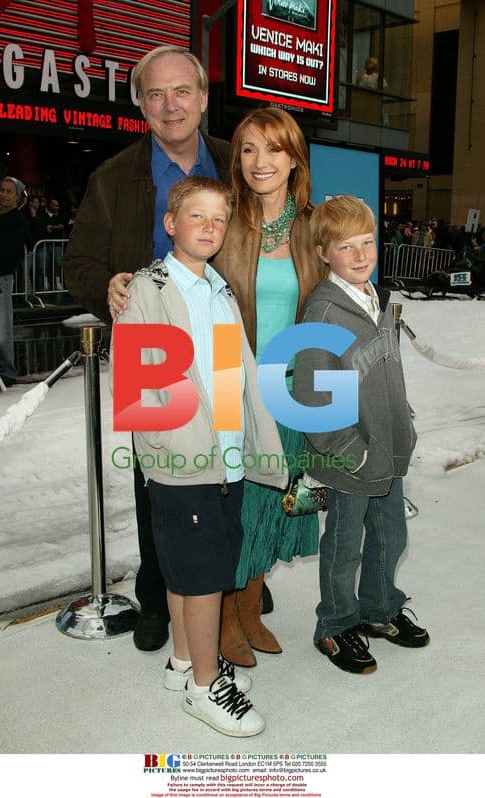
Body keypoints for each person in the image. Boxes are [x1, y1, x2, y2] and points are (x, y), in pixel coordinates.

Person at [63, 45, 230, 652]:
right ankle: (158, 595)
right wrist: (102, 283)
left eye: (182, 91)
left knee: (228, 470)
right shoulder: (112, 177)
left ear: (204, 98)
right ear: (139, 104)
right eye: (155, 94)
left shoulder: (236, 165)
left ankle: (226, 589)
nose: (170, 105)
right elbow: (77, 262)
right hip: (148, 352)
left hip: (222, 340)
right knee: (158, 481)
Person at [111, 175, 287, 736]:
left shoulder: (219, 288)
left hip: (225, 457)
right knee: (204, 571)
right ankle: (206, 687)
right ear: (170, 224)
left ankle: (184, 660)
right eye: (196, 216)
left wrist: (254, 442)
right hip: (183, 461)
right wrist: (169, 454)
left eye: (218, 218)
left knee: (192, 567)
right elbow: (139, 385)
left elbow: (237, 373)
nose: (209, 227)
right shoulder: (149, 288)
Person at [293, 195, 430, 675]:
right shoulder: (324, 316)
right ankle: (334, 625)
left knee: (391, 536)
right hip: (349, 457)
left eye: (367, 242)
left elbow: (388, 376)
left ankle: (380, 609)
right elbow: (314, 403)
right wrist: (353, 452)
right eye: (346, 246)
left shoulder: (379, 302)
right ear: (323, 253)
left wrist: (401, 429)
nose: (360, 254)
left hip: (387, 450)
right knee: (344, 546)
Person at [213, 107, 325, 666]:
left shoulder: (313, 227)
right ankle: (227, 616)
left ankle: (252, 607)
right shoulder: (225, 220)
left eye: (273, 149)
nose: (261, 162)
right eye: (249, 149)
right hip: (235, 386)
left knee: (278, 505)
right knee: (237, 505)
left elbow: (330, 311)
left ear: (294, 159)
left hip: (292, 391)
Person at [0, 176, 28, 392]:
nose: (4, 194)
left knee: (2, 327)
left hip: (1, 277)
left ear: (17, 196)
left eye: (9, 191)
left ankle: (7, 370)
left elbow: (8, 249)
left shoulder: (17, 220)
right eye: (2, 190)